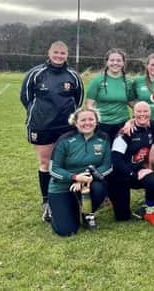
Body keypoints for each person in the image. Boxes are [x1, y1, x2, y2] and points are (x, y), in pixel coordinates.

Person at [20, 41, 84, 223]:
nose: (59, 56)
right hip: (42, 126)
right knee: (45, 163)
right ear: (49, 52)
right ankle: (47, 202)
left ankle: (68, 197)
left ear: (67, 55)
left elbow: (77, 100)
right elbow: (25, 98)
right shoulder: (36, 73)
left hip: (66, 126)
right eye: (56, 52)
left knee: (67, 161)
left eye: (62, 53)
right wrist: (41, 113)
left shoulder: (73, 75)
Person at [48, 107, 112, 236]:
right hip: (62, 185)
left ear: (96, 121)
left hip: (87, 182)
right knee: (67, 231)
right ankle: (52, 211)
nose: (87, 123)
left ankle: (87, 214)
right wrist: (75, 177)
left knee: (100, 188)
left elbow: (107, 166)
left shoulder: (103, 138)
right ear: (75, 122)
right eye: (83, 120)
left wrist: (85, 178)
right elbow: (53, 169)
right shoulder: (65, 140)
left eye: (91, 119)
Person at [109, 102, 154, 226]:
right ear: (133, 113)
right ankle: (111, 194)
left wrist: (144, 169)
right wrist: (132, 174)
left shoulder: (153, 127)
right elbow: (116, 160)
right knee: (122, 217)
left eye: (145, 111)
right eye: (139, 111)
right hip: (120, 175)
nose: (142, 114)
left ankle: (150, 212)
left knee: (152, 180)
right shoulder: (125, 133)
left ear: (150, 113)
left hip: (138, 170)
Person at [86, 48, 133, 143]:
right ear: (107, 62)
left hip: (122, 125)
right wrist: (94, 122)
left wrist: (132, 120)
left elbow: (133, 104)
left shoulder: (128, 82)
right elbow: (89, 105)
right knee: (102, 155)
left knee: (120, 154)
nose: (115, 63)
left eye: (119, 60)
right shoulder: (97, 81)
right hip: (102, 125)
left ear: (123, 63)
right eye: (112, 60)